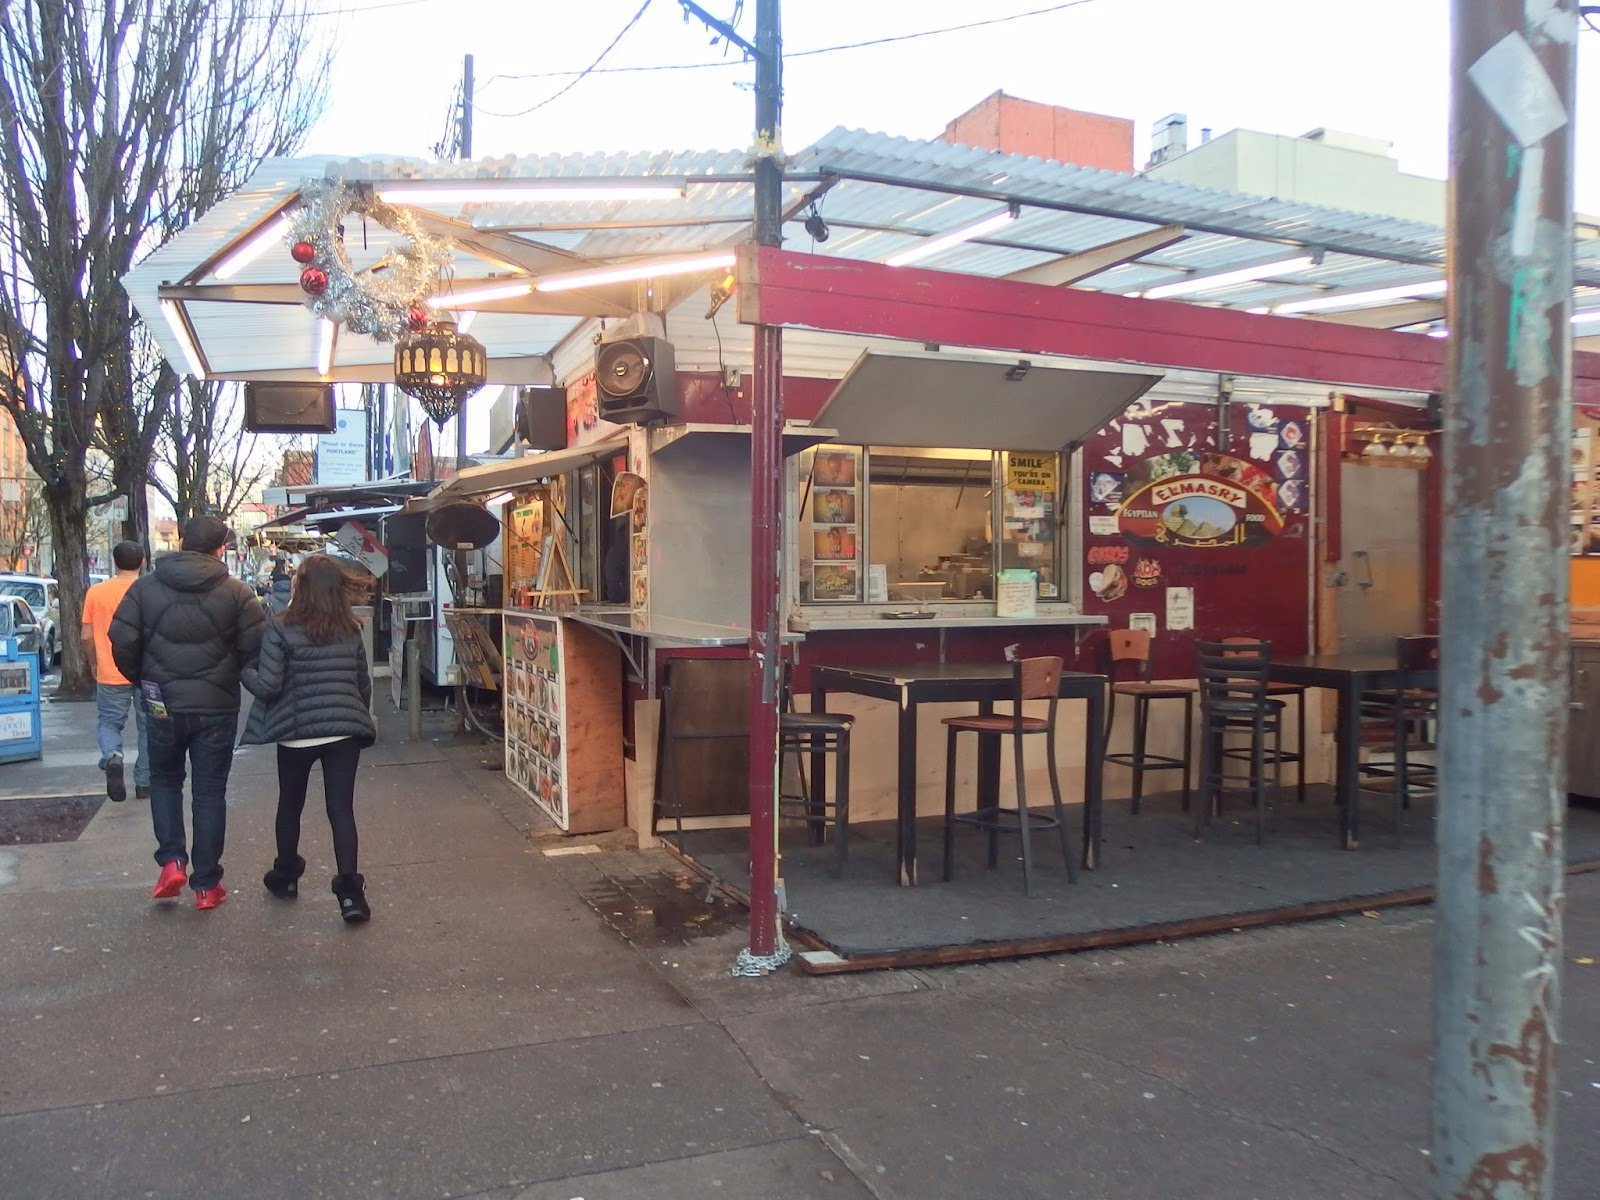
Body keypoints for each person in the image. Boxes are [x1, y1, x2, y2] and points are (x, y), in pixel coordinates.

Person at [109, 515, 265, 911]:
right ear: (220, 548)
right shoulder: (238, 593)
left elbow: (122, 640)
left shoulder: (144, 589)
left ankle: (172, 862)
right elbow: (254, 649)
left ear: (180, 541)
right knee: (209, 791)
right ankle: (207, 885)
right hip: (216, 705)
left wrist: (144, 678)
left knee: (164, 781)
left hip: (161, 700)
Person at [240, 554, 376, 923]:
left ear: (300, 587)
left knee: (291, 804)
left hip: (297, 732)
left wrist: (246, 672)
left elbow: (268, 685)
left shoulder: (281, 628)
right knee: (340, 809)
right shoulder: (351, 629)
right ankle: (350, 894)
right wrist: (356, 715)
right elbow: (362, 683)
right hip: (344, 730)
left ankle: (286, 875)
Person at [81, 541, 149, 803]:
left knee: (110, 722)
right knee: (150, 726)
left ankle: (113, 756)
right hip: (147, 672)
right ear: (142, 562)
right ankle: (144, 782)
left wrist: (94, 661)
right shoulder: (149, 590)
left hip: (110, 669)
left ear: (115, 561)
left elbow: (86, 635)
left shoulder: (96, 593)